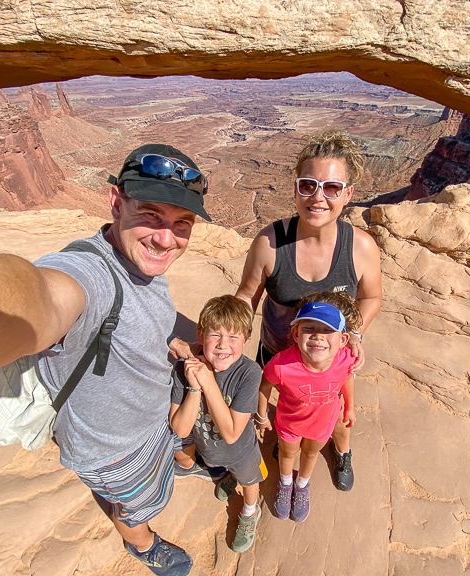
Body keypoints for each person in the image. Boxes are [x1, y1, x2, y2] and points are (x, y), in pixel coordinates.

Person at [0, 144, 211, 576]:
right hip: (112, 450)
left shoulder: (140, 263)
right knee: (132, 508)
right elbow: (43, 299)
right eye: (151, 215)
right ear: (116, 202)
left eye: (181, 223)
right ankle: (144, 546)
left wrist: (174, 344)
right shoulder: (91, 274)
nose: (166, 239)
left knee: (152, 480)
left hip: (151, 427)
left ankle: (163, 479)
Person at [236, 129, 383, 492]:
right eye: (308, 185)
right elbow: (246, 297)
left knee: (337, 408)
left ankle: (342, 451)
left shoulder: (360, 248)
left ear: (348, 194)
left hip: (331, 357)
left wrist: (354, 333)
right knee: (286, 404)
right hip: (278, 351)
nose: (318, 197)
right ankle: (288, 442)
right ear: (296, 188)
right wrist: (227, 338)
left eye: (332, 188)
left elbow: (371, 297)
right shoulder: (270, 242)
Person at [169, 295, 266, 553]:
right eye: (215, 335)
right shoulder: (184, 370)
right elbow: (180, 430)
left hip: (241, 451)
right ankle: (228, 476)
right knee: (222, 465)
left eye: (233, 337)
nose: (223, 345)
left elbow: (232, 434)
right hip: (208, 447)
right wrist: (193, 388)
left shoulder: (249, 373)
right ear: (201, 336)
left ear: (246, 341)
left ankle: (250, 512)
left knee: (250, 482)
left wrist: (208, 382)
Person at [255, 291, 361, 522]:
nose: (318, 336)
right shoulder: (282, 365)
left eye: (327, 330)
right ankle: (286, 482)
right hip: (289, 424)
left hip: (322, 424)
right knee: (287, 453)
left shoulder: (345, 359)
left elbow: (347, 378)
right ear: (296, 333)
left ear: (343, 340)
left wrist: (350, 407)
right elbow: (265, 384)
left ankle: (302, 485)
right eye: (309, 328)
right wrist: (262, 415)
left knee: (311, 453)